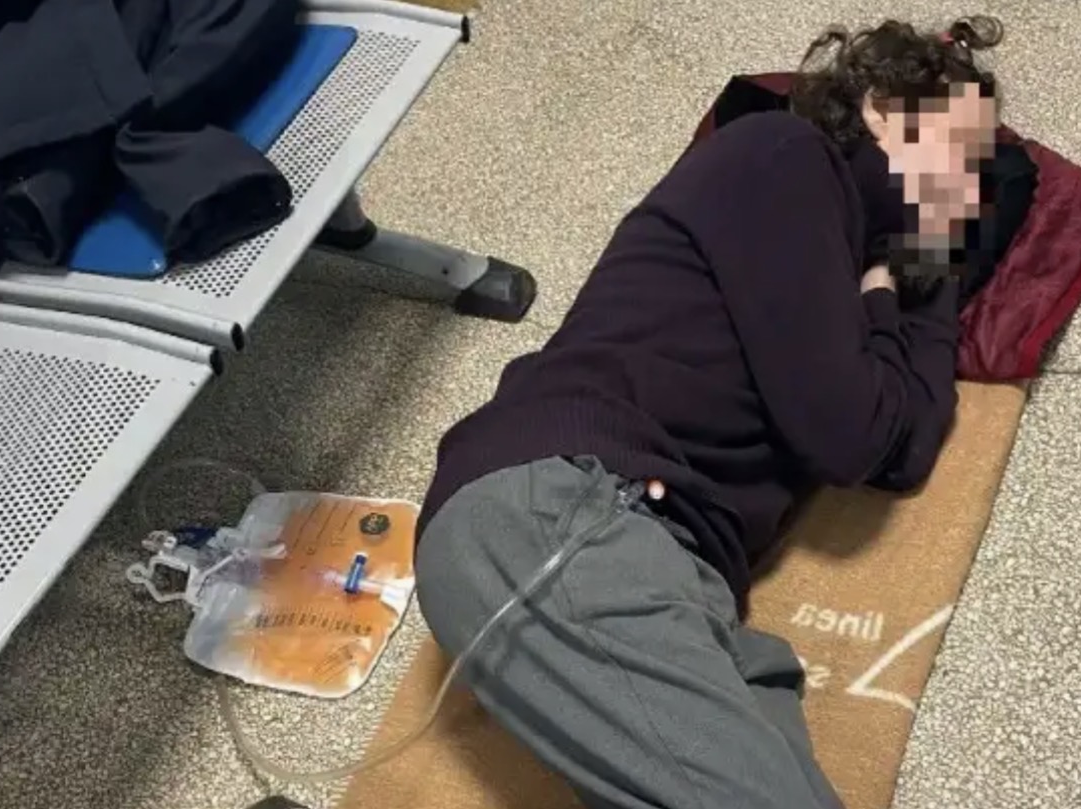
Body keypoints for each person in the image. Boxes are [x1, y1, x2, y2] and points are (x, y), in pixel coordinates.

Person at [414, 16, 1002, 809]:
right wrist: (887, 294)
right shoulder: (783, 156)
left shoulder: (844, 264)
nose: (966, 191)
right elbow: (851, 434)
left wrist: (920, 277)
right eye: (957, 153)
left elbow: (906, 448)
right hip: (566, 505)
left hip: (688, 577)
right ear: (882, 106)